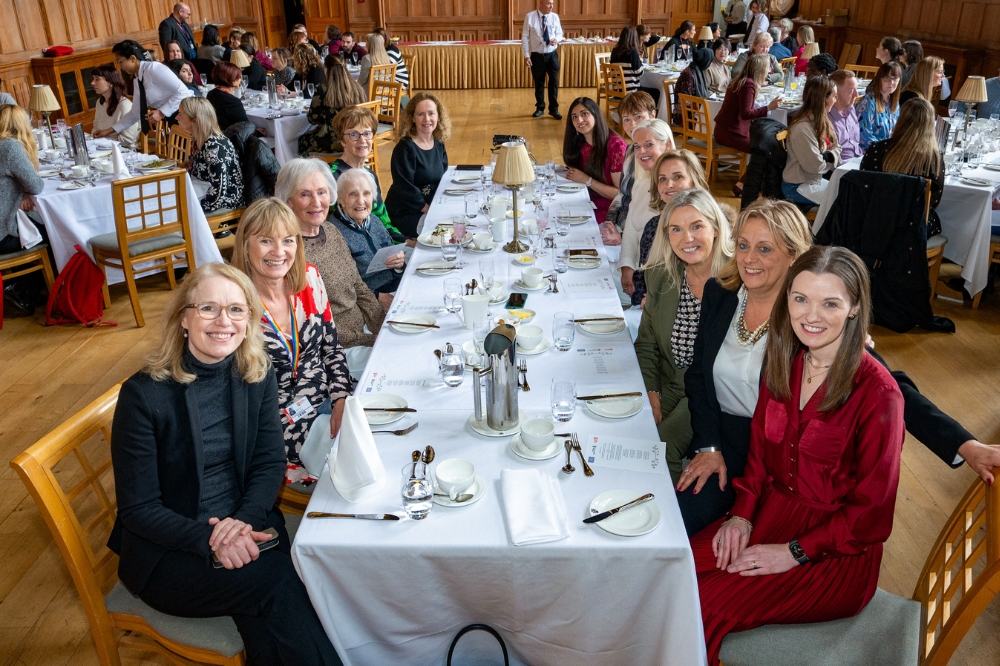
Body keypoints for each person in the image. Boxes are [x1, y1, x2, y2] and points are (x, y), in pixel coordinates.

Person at [107, 262, 343, 666]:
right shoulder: (143, 396)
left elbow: (269, 462)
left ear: (249, 319)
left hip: (246, 521)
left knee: (269, 612)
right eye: (208, 309)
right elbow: (138, 510)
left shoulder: (255, 373)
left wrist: (244, 522)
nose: (224, 321)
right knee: (280, 584)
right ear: (184, 317)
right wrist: (213, 541)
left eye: (236, 310)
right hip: (172, 551)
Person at [693, 246, 904, 666]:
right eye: (801, 298)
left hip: (834, 553)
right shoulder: (784, 360)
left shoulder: (879, 394)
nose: (812, 315)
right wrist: (742, 515)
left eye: (831, 303)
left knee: (701, 603)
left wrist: (792, 552)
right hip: (770, 515)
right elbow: (757, 455)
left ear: (854, 307)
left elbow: (871, 516)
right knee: (673, 565)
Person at [676, 200, 813, 536]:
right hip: (719, 436)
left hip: (777, 455)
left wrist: (960, 443)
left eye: (764, 249)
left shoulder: (807, 316)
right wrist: (709, 445)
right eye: (743, 245)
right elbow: (697, 376)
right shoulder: (720, 294)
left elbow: (880, 380)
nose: (749, 258)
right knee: (677, 521)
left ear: (794, 256)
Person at [231, 198, 352, 491]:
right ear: (246, 246)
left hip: (326, 394)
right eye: (265, 241)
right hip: (279, 421)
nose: (279, 251)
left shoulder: (309, 279)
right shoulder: (234, 305)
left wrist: (341, 398)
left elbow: (332, 349)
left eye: (288, 240)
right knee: (351, 460)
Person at [635, 188, 732, 482]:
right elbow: (647, 344)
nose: (686, 238)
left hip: (711, 392)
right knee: (625, 432)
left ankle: (676, 515)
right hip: (668, 384)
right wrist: (651, 393)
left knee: (657, 448)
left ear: (715, 228)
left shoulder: (737, 278)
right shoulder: (662, 275)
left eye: (696, 226)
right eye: (676, 229)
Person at [275, 159, 385, 375]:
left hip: (362, 332)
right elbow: (313, 325)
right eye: (305, 194)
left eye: (322, 192)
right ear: (288, 202)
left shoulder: (332, 231)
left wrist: (381, 326)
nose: (317, 202)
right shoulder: (287, 251)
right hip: (333, 351)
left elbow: (358, 286)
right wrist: (371, 339)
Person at [631, 149, 711, 306]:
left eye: (678, 177)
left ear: (694, 181)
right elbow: (642, 277)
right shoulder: (654, 226)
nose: (669, 185)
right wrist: (643, 299)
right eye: (662, 179)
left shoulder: (709, 226)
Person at [860, 98, 944, 237]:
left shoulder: (877, 150)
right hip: (911, 229)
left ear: (900, 120)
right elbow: (933, 201)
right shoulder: (934, 159)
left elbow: (863, 185)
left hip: (874, 220)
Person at [330, 106, 405, 242]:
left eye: (367, 133)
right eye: (353, 134)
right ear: (342, 140)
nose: (362, 140)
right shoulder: (332, 177)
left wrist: (405, 242)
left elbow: (384, 223)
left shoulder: (369, 175)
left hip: (378, 243)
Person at [331, 168, 405, 303]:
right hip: (370, 300)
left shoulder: (374, 221)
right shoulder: (334, 233)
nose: (361, 201)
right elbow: (344, 286)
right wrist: (377, 296)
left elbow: (395, 263)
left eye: (366, 194)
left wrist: (399, 266)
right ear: (340, 199)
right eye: (352, 194)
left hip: (397, 286)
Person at [618, 119, 673, 297]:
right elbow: (631, 228)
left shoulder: (672, 190)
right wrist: (627, 266)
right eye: (637, 146)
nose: (642, 152)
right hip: (638, 268)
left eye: (649, 145)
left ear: (667, 145)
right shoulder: (641, 182)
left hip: (658, 284)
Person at [95, 40, 193, 138]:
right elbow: (135, 114)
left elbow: (183, 92)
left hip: (189, 114)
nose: (120, 66)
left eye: (120, 62)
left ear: (133, 58)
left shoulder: (153, 68)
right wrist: (109, 130)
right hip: (174, 118)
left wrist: (161, 112)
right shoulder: (138, 79)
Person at [714, 54, 782, 196]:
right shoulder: (748, 84)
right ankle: (745, 184)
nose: (769, 71)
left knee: (767, 146)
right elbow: (746, 114)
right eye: (767, 68)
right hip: (730, 133)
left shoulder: (742, 80)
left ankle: (749, 183)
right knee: (764, 149)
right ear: (760, 69)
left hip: (727, 129)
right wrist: (769, 107)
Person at [385, 92, 450, 238]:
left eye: (431, 113)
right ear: (412, 118)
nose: (427, 119)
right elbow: (404, 186)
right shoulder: (405, 148)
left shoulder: (438, 142)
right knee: (443, 234)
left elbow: (443, 176)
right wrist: (428, 209)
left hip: (429, 205)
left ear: (438, 116)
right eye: (421, 114)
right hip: (406, 212)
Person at [563, 96, 627, 224]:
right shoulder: (582, 144)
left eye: (584, 114)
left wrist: (587, 180)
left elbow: (620, 194)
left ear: (596, 115)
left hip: (609, 212)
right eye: (574, 117)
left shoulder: (616, 146)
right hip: (585, 202)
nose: (579, 120)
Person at [177, 97, 244, 213]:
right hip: (202, 191)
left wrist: (191, 209)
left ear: (195, 120)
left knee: (174, 211)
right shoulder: (199, 139)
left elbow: (219, 193)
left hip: (224, 203)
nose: (176, 117)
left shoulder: (214, 147)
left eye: (180, 115)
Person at [782, 76, 841, 205]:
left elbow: (837, 148)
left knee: (848, 194)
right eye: (834, 96)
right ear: (823, 99)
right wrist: (831, 158)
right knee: (842, 201)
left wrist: (828, 156)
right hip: (797, 186)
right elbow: (815, 166)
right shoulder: (802, 129)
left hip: (814, 181)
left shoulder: (822, 121)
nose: (836, 101)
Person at [297, 58, 364, 156]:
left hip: (333, 140)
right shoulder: (357, 88)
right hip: (356, 136)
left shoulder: (322, 89)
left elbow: (312, 119)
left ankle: (317, 170)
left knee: (303, 140)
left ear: (326, 69)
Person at [0, 105, 43, 255]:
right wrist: (25, 191)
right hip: (3, 236)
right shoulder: (9, 146)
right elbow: (36, 186)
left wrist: (22, 193)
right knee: (56, 230)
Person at [522, 0, 563, 119]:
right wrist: (526, 56)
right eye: (549, 3)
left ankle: (554, 109)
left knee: (553, 82)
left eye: (552, 4)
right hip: (537, 55)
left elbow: (560, 33)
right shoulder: (530, 17)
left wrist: (556, 39)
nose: (551, 6)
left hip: (552, 55)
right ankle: (540, 107)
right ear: (541, 3)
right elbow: (525, 37)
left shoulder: (555, 17)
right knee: (539, 82)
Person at [90, 65, 140, 149]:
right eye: (93, 79)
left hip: (123, 150)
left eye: (97, 79)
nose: (92, 83)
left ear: (110, 83)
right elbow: (96, 126)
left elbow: (128, 138)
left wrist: (105, 143)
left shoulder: (125, 105)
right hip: (103, 147)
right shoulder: (99, 102)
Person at [856, 61, 902, 151]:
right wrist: (886, 149)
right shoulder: (868, 102)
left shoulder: (894, 103)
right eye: (887, 78)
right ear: (879, 79)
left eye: (895, 78)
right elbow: (863, 135)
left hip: (888, 151)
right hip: (871, 153)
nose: (891, 83)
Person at [611, 26, 660, 105]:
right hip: (631, 91)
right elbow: (639, 72)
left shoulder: (614, 51)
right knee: (656, 92)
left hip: (617, 90)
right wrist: (639, 62)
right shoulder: (632, 52)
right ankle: (649, 115)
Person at [672, 47, 713, 126]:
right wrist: (700, 104)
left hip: (692, 111)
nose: (710, 64)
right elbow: (684, 100)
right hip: (685, 116)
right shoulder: (689, 74)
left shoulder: (697, 71)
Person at [206, 62, 249, 131]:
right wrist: (259, 132)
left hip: (215, 134)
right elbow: (245, 128)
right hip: (231, 137)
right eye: (238, 77)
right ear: (231, 80)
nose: (240, 80)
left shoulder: (211, 94)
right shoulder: (232, 101)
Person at [828, 70, 860, 159]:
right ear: (836, 93)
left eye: (856, 89)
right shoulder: (827, 117)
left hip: (857, 159)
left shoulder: (851, 109)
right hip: (840, 167)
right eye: (851, 91)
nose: (856, 95)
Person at [358, 33, 392, 98]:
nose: (365, 44)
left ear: (371, 45)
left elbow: (362, 80)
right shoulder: (386, 58)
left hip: (370, 95)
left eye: (367, 42)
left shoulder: (367, 58)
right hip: (385, 94)